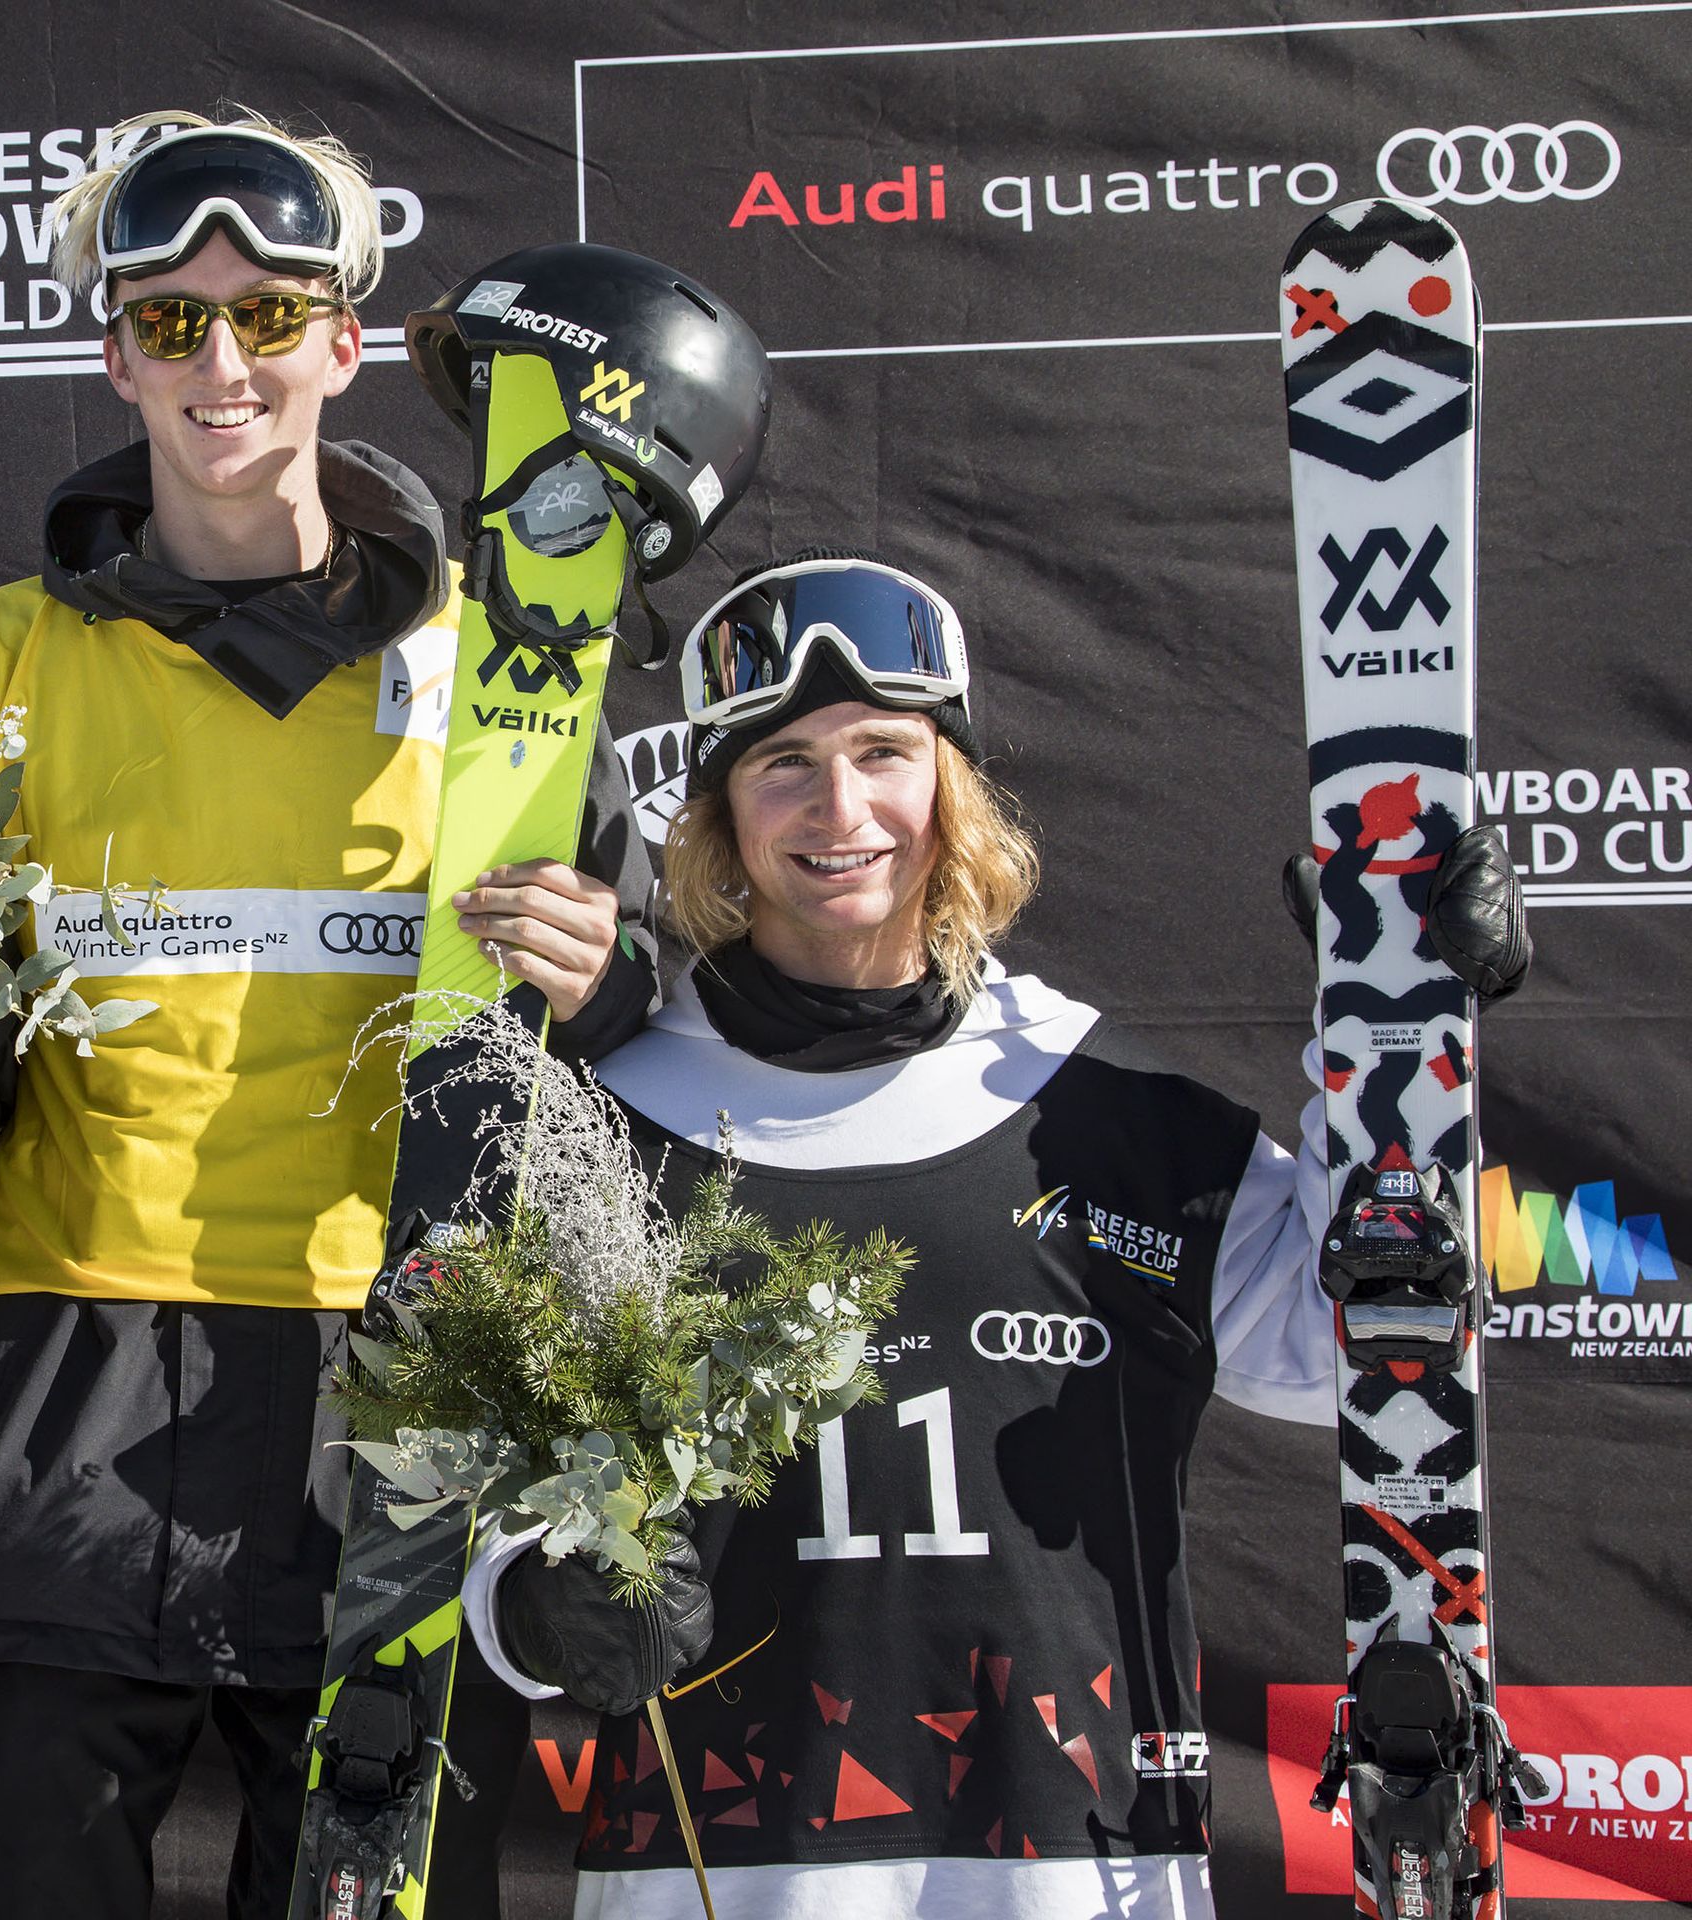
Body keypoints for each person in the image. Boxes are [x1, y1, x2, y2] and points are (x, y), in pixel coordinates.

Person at [0, 111, 663, 1919]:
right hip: (66, 1376)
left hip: (391, 1375)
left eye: (272, 317)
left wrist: (600, 969)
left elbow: (626, 1034)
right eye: (172, 323)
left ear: (344, 343)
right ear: (115, 354)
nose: (223, 363)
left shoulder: (508, 673)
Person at [463, 549, 1530, 1918]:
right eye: (782, 762)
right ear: (719, 814)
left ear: (950, 789)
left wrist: (1397, 1041)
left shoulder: (1106, 1107)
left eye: (884, 754)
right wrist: (544, 1604)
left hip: (1087, 1863)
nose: (839, 807)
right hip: (716, 1872)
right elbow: (483, 1523)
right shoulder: (607, 1126)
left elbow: (1353, 1367)